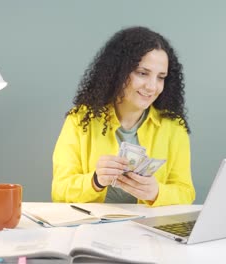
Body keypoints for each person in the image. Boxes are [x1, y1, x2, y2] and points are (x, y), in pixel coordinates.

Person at [52, 26, 195, 206]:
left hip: (149, 230)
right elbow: (59, 190)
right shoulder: (80, 120)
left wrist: (157, 192)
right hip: (93, 228)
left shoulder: (174, 127)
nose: (152, 87)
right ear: (118, 73)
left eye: (161, 77)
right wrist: (95, 181)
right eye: (143, 73)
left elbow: (186, 192)